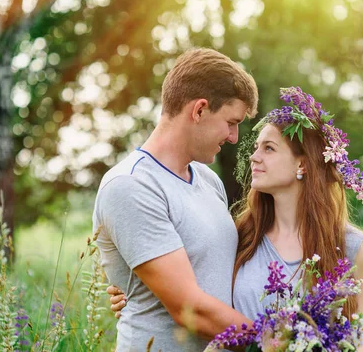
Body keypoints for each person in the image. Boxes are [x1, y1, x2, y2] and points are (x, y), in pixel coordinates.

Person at [109, 87, 363, 351]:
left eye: (269, 148)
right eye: (256, 147)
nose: (253, 157)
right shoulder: (242, 236)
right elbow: (192, 280)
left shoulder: (349, 247)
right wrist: (135, 293)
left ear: (302, 163)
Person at [93, 47, 259, 351]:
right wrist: (281, 342)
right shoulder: (130, 185)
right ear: (199, 110)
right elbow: (189, 308)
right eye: (231, 122)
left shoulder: (208, 180)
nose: (234, 137)